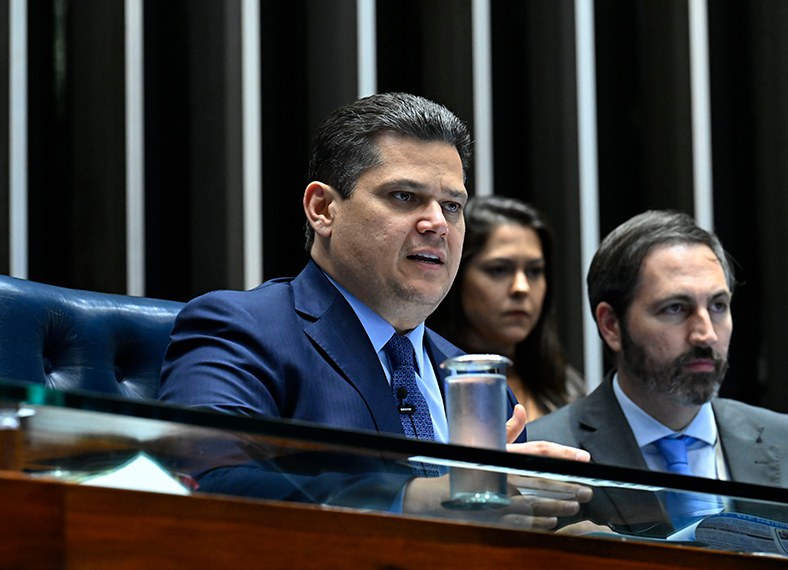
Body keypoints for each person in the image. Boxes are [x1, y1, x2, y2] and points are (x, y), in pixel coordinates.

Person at [159, 92, 589, 520]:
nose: (437, 223)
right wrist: (422, 498)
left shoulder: (473, 379)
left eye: (452, 206)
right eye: (404, 196)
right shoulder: (242, 327)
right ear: (323, 208)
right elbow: (204, 484)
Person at [529, 210, 788, 533]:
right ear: (611, 325)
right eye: (675, 308)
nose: (705, 334)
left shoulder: (783, 440)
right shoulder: (544, 455)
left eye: (718, 306)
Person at [429, 196, 585, 421]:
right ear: (457, 274)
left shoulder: (566, 386)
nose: (521, 288)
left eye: (534, 271)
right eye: (499, 270)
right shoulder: (423, 377)